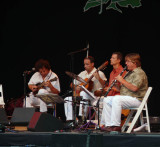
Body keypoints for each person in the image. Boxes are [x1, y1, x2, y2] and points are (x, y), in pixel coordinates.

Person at [101, 53, 148, 132]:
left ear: (135, 63)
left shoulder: (139, 73)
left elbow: (134, 88)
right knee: (107, 99)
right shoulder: (129, 73)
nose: (126, 63)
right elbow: (125, 89)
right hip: (129, 98)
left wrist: (122, 80)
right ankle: (108, 125)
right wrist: (117, 86)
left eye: (128, 61)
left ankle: (115, 126)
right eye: (126, 61)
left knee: (117, 99)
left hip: (138, 99)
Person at [64, 56, 107, 123]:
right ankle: (71, 120)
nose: (85, 66)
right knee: (67, 99)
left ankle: (82, 118)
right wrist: (76, 87)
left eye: (87, 64)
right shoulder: (82, 73)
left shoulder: (100, 73)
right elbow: (72, 84)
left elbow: (105, 85)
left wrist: (98, 78)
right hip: (84, 97)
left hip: (95, 96)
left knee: (83, 93)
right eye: (84, 64)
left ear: (92, 64)